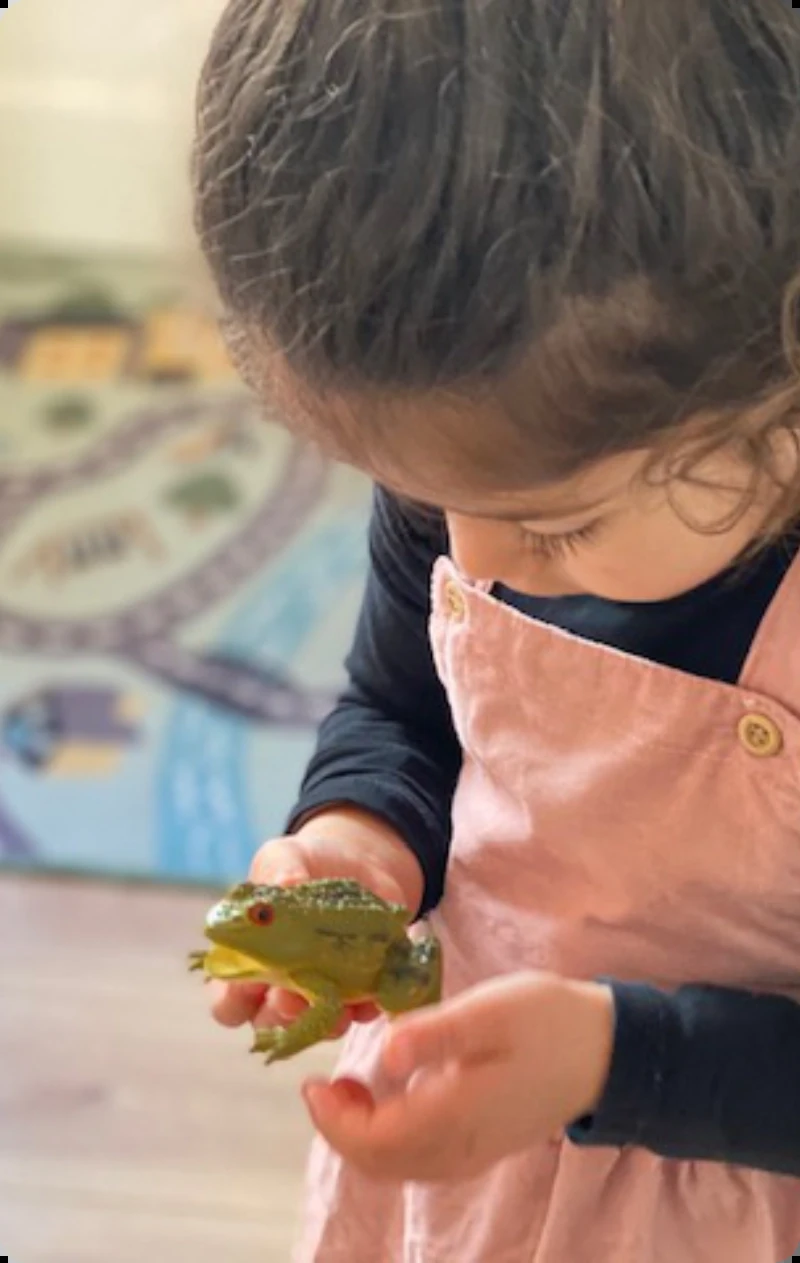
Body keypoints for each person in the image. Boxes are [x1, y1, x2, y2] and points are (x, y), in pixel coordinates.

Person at [192, 1, 800, 1259]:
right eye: (425, 498)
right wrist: (355, 840)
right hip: (477, 1142)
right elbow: (403, 707)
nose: (470, 557)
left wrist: (616, 1061)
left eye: (557, 527)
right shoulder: (495, 452)